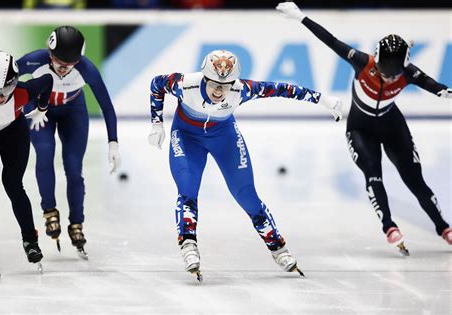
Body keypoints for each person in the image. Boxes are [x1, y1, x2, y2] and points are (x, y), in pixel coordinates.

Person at [147, 49, 342, 280]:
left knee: (247, 195)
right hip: (187, 137)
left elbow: (283, 90)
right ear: (204, 78)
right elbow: (156, 84)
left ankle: (278, 247)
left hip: (224, 137)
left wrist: (324, 100)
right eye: (214, 84)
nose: (220, 91)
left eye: (226, 84)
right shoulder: (184, 84)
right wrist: (156, 123)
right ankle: (188, 244)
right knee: (187, 189)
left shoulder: (242, 89)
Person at [276, 1, 452, 255]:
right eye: (383, 72)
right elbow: (331, 40)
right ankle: (389, 226)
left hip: (393, 127)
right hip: (360, 129)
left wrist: (446, 93)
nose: (389, 78)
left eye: (394, 75)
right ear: (376, 62)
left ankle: (444, 228)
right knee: (373, 175)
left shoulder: (409, 73)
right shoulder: (362, 62)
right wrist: (301, 18)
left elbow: (435, 86)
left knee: (415, 180)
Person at [17, 26, 121, 257]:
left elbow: (107, 106)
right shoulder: (34, 61)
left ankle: (76, 223)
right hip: (39, 110)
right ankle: (49, 211)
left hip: (73, 111)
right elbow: (3, 78)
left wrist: (113, 142)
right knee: (44, 153)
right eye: (57, 61)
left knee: (74, 168)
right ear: (49, 53)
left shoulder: (87, 69)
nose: (63, 68)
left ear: (79, 60)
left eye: (69, 64)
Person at [0, 51, 53, 274]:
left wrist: (42, 108)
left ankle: (30, 240)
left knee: (13, 184)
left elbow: (47, 81)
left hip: (14, 135)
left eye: (5, 90)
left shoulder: (25, 91)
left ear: (15, 83)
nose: (0, 96)